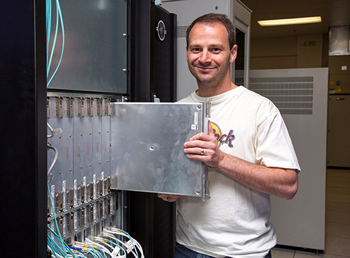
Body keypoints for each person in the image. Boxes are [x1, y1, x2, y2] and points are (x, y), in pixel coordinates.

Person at [158, 13, 300, 258]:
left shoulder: (260, 109)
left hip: (245, 252)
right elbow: (168, 180)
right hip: (186, 248)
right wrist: (169, 188)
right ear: (186, 52)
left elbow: (288, 185)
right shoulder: (177, 111)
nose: (204, 58)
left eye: (215, 49)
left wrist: (220, 160)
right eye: (196, 49)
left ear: (233, 53)